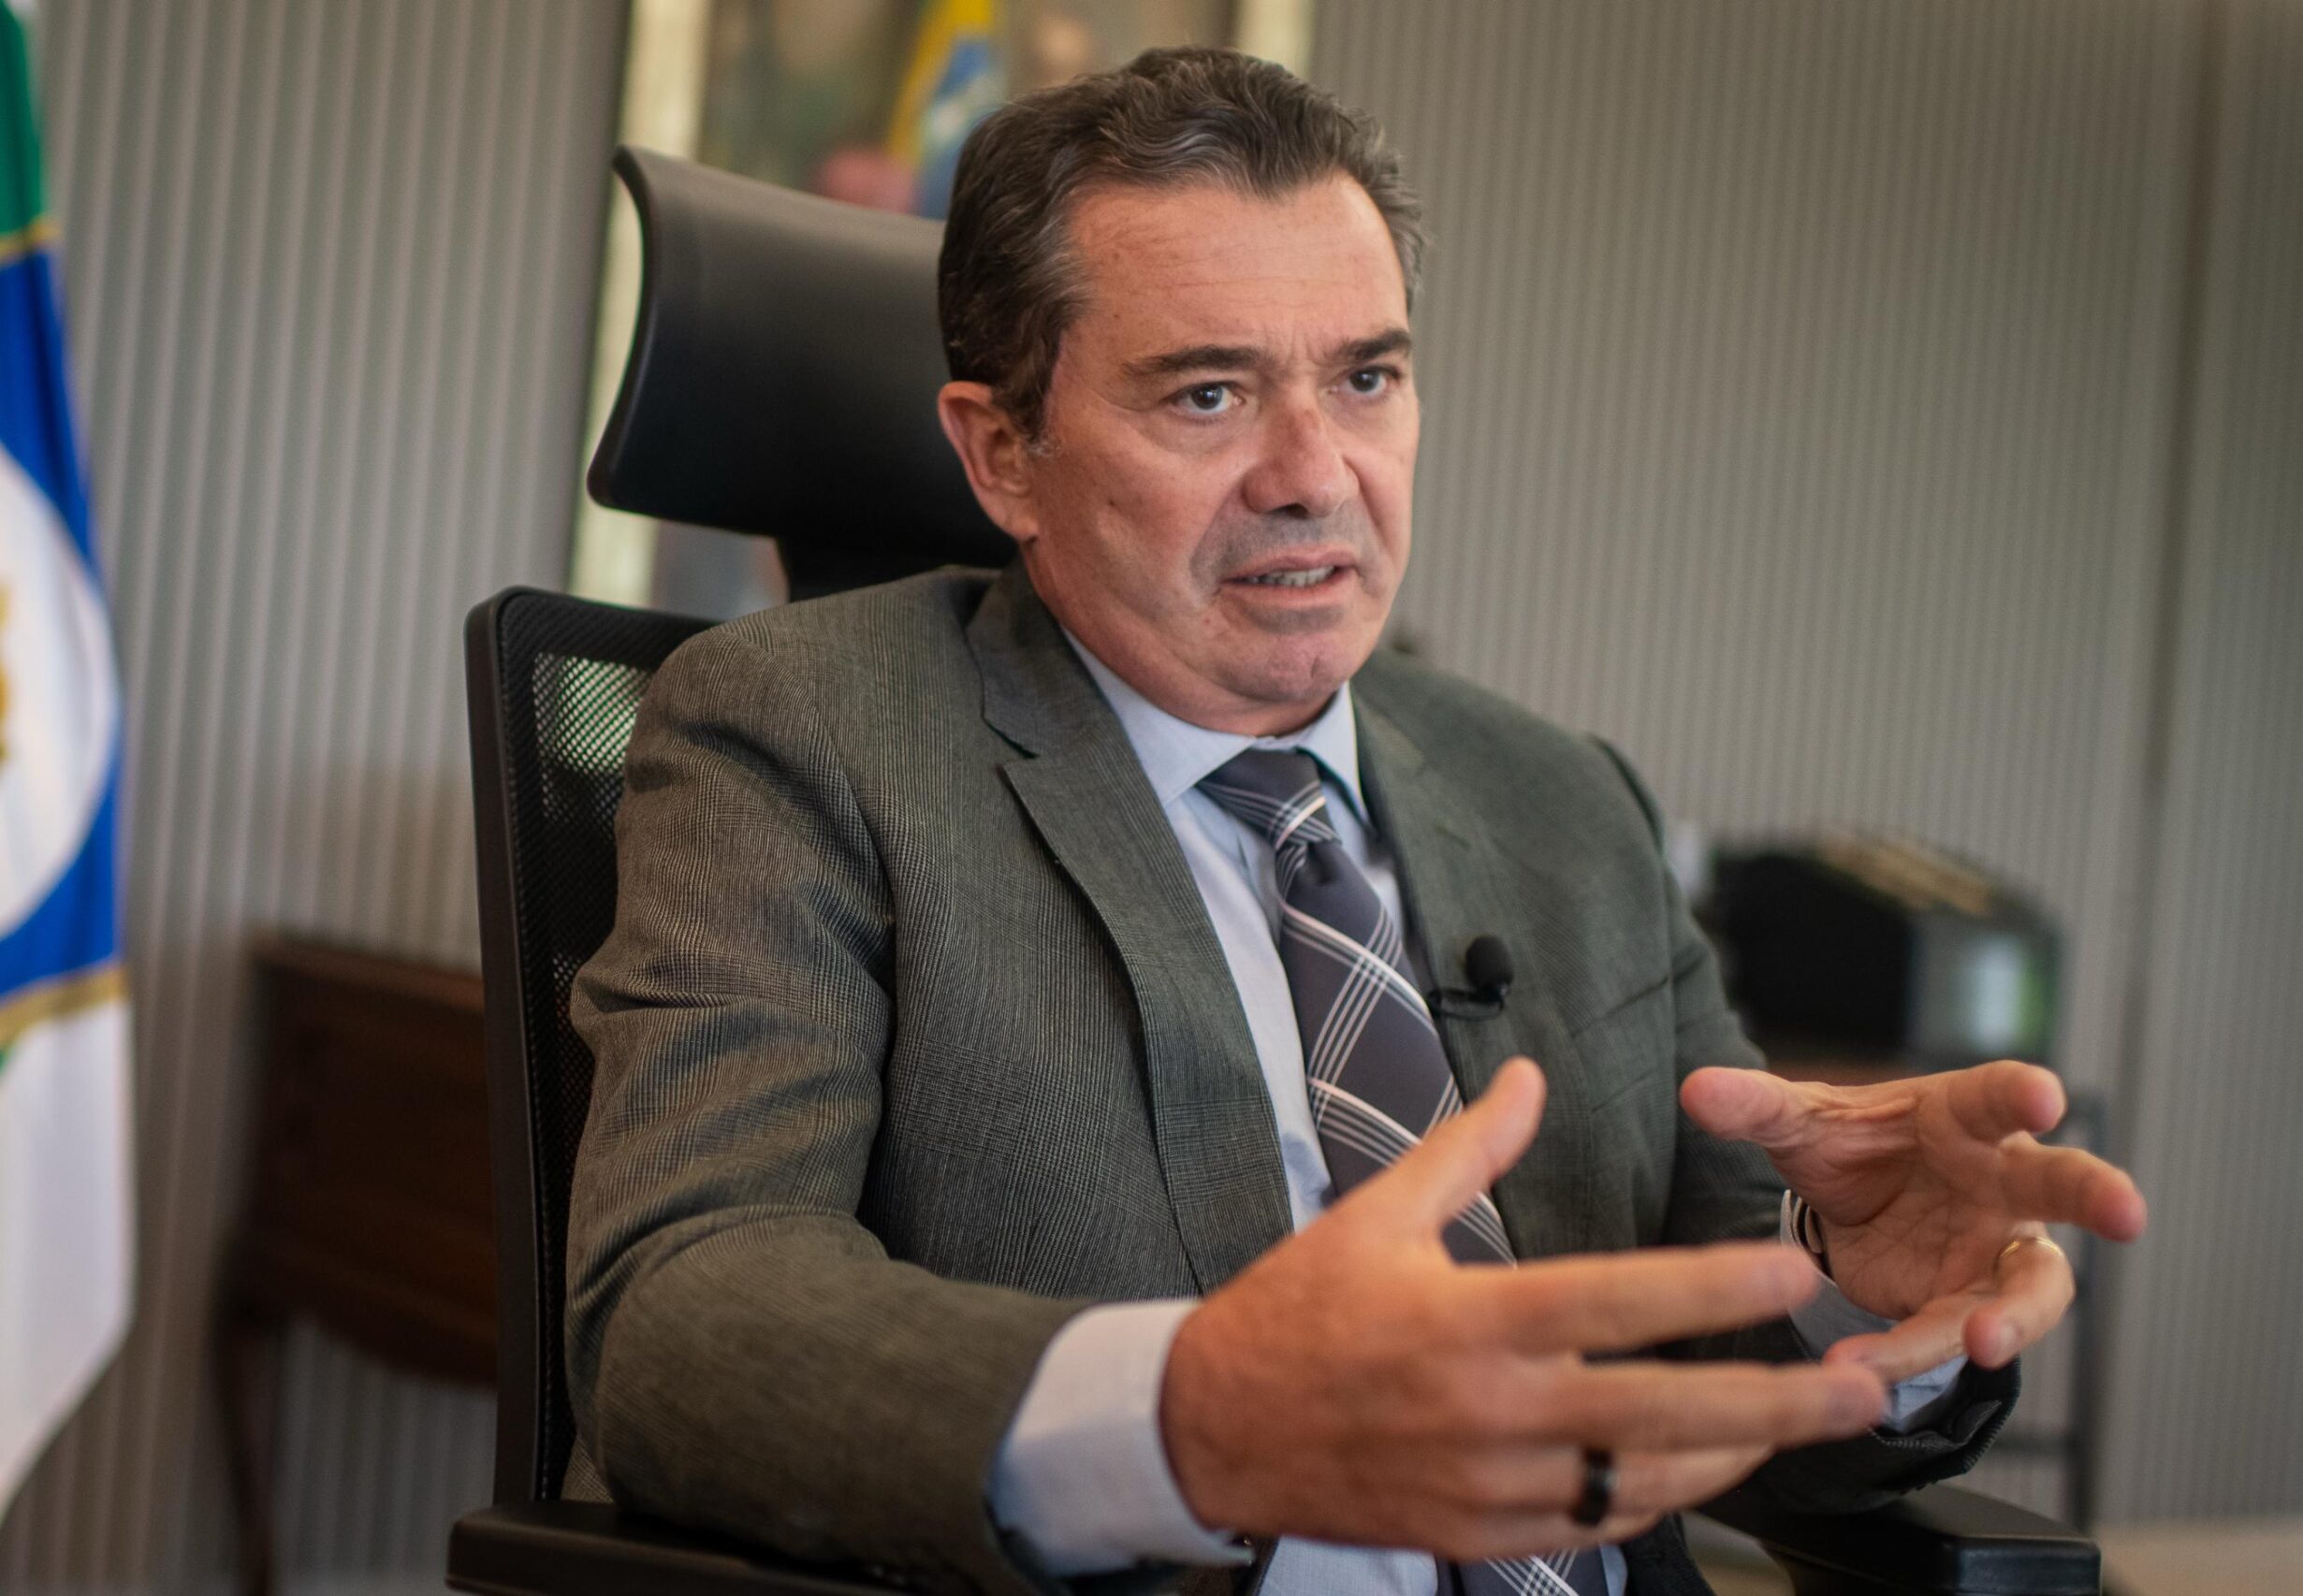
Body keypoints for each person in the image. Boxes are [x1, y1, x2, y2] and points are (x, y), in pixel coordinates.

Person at [564, 47, 2147, 1596]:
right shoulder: (809, 731)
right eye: (1209, 394)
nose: (1316, 475)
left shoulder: (1564, 799)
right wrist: (1186, 1413)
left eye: (1366, 379)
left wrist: (1855, 1286)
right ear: (1002, 454)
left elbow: (1717, 1345)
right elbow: (681, 1314)